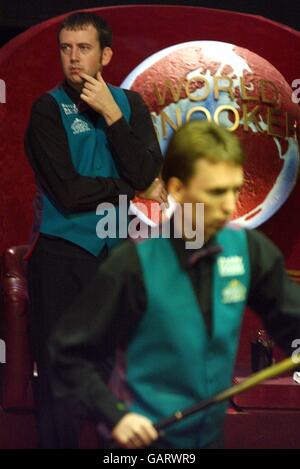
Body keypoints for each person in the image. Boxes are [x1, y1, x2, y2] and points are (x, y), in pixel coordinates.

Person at [48, 120, 300, 449]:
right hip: (141, 446)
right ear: (178, 190)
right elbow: (67, 355)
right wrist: (116, 414)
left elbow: (290, 319)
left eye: (234, 189)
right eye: (215, 191)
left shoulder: (249, 250)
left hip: (208, 441)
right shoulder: (133, 264)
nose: (228, 205)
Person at [24, 11, 164, 448]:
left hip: (115, 260)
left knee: (110, 380)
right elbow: (68, 192)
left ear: (105, 54)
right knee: (60, 379)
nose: (73, 58)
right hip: (61, 259)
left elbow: (148, 170)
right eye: (65, 48)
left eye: (83, 48)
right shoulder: (48, 109)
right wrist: (130, 188)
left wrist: (111, 116)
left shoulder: (130, 105)